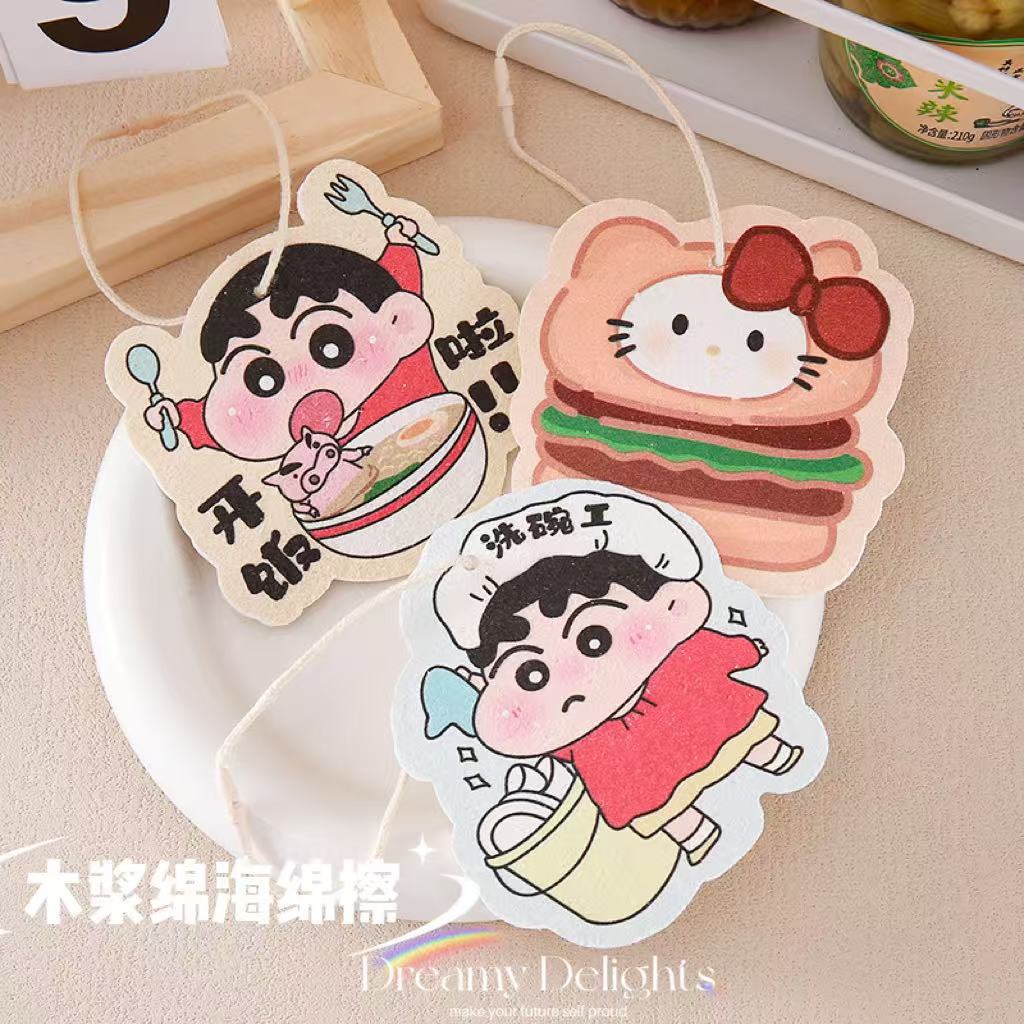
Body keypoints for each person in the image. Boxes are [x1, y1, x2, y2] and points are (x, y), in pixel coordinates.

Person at [142, 217, 442, 462]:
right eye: (263, 379)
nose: (303, 377)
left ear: (400, 321)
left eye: (331, 346)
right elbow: (216, 419)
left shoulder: (398, 345)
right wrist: (175, 417)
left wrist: (401, 241)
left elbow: (396, 279)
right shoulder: (232, 418)